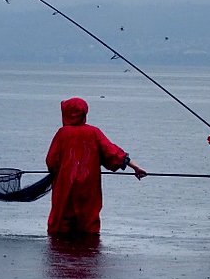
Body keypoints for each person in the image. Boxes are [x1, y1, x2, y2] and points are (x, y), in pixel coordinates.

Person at [46, 97, 147, 235]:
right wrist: (135, 167)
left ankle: (62, 253)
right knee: (88, 222)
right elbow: (112, 152)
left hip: (65, 187)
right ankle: (88, 252)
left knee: (62, 223)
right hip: (88, 187)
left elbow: (51, 162)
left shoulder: (62, 134)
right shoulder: (94, 133)